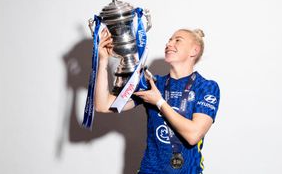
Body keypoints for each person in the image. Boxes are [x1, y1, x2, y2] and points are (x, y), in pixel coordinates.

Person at [94, 27, 220, 174]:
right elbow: (103, 105)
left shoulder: (207, 87)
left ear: (194, 51)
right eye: (169, 40)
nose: (169, 44)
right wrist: (103, 60)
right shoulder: (153, 84)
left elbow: (193, 135)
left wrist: (159, 102)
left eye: (177, 40)